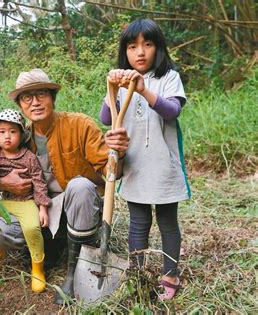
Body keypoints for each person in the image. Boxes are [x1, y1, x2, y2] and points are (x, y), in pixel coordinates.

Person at [0, 68, 130, 303]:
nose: (35, 102)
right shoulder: (19, 136)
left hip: (77, 207)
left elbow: (112, 170)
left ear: (52, 97)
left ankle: (73, 272)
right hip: (40, 210)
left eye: (41, 94)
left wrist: (119, 153)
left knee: (80, 186)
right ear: (21, 105)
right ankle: (50, 245)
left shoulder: (79, 125)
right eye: (26, 97)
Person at [99, 19, 189, 300]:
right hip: (135, 165)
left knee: (167, 222)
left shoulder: (168, 78)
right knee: (138, 222)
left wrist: (142, 89)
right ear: (124, 52)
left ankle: (170, 275)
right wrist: (113, 87)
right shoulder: (122, 82)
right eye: (132, 46)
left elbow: (172, 110)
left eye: (147, 44)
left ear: (158, 48)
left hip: (163, 166)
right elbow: (106, 118)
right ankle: (137, 274)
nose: (140, 52)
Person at [0, 108, 50, 293]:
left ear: (22, 134)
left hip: (26, 202)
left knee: (32, 229)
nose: (7, 136)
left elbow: (39, 182)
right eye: (2, 132)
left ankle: (37, 268)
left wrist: (42, 207)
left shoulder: (29, 157)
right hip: (5, 201)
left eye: (13, 131)